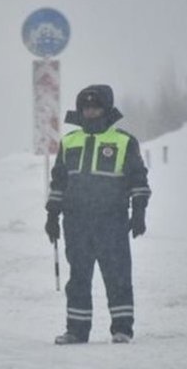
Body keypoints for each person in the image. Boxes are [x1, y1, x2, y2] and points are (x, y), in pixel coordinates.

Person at [45, 84, 151, 344]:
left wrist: (139, 213)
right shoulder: (69, 142)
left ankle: (122, 329)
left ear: (107, 109)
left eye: (96, 107)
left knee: (117, 276)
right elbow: (59, 183)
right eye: (86, 108)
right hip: (76, 223)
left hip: (111, 223)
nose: (90, 112)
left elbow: (138, 181)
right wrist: (52, 216)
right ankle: (77, 330)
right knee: (78, 278)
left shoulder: (124, 142)